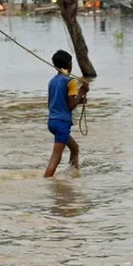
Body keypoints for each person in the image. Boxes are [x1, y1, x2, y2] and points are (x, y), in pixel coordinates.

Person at [43, 50, 89, 178]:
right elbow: (70, 106)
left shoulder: (52, 81)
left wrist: (79, 100)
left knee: (74, 148)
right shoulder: (71, 81)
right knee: (55, 158)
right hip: (62, 122)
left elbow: (57, 102)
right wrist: (82, 91)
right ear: (70, 65)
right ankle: (45, 182)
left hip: (52, 122)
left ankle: (73, 174)